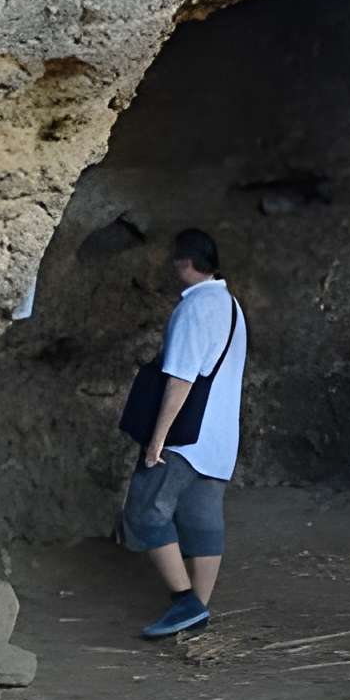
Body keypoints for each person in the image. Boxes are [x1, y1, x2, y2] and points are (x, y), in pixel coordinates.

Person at [121, 227, 246, 641]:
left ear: (186, 261)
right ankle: (199, 612)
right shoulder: (231, 305)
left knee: (144, 509)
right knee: (201, 518)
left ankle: (183, 601)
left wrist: (157, 439)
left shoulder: (195, 308)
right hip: (220, 436)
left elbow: (180, 379)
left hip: (186, 436)